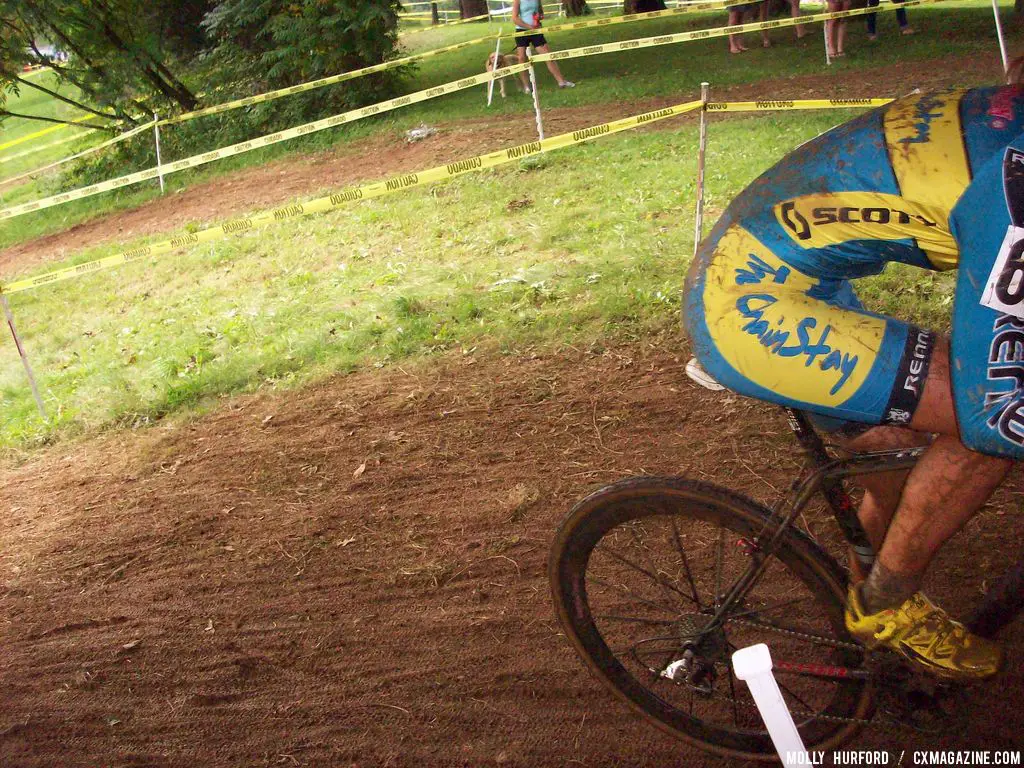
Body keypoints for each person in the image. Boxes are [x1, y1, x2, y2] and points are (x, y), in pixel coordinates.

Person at [684, 83, 1024, 680]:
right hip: (746, 302)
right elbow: (995, 401)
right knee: (999, 423)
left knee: (898, 461)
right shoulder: (1015, 183)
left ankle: (865, 623)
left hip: (791, 276)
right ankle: (885, 606)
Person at [511, 0, 576, 90]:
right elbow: (515, 18)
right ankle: (527, 87)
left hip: (536, 30)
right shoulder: (517, 1)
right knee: (522, 58)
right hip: (521, 31)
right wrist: (529, 27)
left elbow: (540, 11)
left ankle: (561, 82)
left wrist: (539, 17)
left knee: (547, 54)